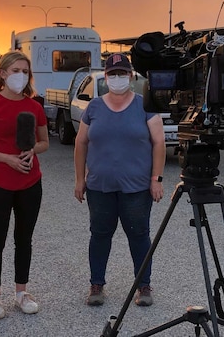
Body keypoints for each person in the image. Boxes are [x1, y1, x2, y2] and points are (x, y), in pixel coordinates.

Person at [73, 53, 166, 307]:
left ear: (131, 76)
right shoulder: (93, 107)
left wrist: (155, 179)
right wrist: (79, 179)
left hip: (136, 189)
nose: (117, 78)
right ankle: (96, 285)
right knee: (100, 235)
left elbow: (159, 143)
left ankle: (143, 285)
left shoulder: (145, 106)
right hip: (99, 187)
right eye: (112, 74)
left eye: (122, 73)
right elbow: (81, 143)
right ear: (105, 77)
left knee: (138, 235)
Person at [0, 51, 49, 320]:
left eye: (25, 71)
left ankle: (22, 293)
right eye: (15, 70)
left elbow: (44, 142)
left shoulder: (35, 106)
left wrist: (32, 151)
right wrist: (7, 159)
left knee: (24, 239)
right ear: (2, 73)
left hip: (30, 181)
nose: (21, 76)